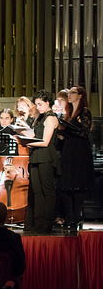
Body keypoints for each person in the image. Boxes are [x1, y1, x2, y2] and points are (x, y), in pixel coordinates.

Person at [21, 90, 60, 233]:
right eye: (36, 104)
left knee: (47, 192)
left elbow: (45, 142)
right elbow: (35, 135)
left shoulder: (50, 118)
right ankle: (38, 223)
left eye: (40, 104)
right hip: (36, 156)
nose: (38, 107)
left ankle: (46, 223)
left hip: (46, 157)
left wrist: (27, 143)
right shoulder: (41, 117)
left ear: (48, 102)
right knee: (37, 192)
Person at [58, 86, 95, 229]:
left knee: (78, 186)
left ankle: (75, 218)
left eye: (73, 92)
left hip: (80, 152)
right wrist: (62, 134)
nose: (69, 95)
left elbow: (85, 133)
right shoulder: (68, 113)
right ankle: (70, 217)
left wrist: (69, 129)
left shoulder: (84, 111)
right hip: (68, 151)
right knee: (65, 186)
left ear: (80, 96)